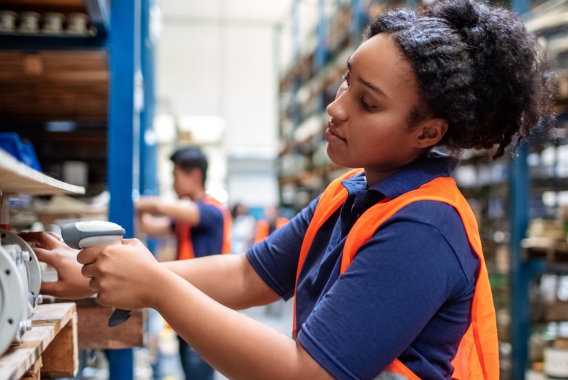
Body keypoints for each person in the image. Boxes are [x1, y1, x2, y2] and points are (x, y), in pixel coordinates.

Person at [22, 1, 555, 378]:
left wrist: (158, 290)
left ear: (428, 132)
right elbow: (247, 273)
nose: (336, 106)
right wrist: (98, 277)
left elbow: (307, 373)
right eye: (347, 81)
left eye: (368, 103)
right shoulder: (350, 194)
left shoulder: (423, 230)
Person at [135, 146, 232, 380]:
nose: (173, 183)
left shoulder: (212, 211)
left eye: (175, 176)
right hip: (187, 309)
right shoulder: (183, 219)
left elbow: (159, 207)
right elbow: (150, 226)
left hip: (205, 315)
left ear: (195, 176)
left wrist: (134, 202)